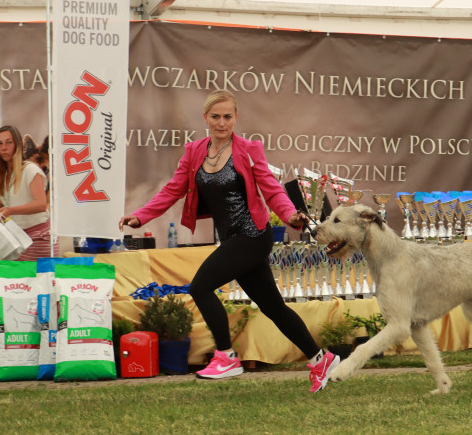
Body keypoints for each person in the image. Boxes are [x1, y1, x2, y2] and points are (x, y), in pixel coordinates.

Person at [118, 90, 340, 392]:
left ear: (236, 118)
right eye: (215, 116)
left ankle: (226, 356)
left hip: (253, 236)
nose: (222, 123)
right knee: (273, 307)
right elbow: (173, 190)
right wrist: (140, 216)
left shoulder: (249, 150)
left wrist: (289, 215)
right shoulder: (195, 151)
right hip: (233, 238)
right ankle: (320, 358)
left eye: (227, 116)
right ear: (205, 118)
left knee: (200, 287)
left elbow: (272, 190)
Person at [0, 125, 56, 260]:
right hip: (16, 238)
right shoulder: (3, 174)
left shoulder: (31, 170)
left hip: (38, 238)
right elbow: (13, 202)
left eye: (9, 142)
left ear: (18, 145)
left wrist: (10, 210)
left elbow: (40, 205)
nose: (3, 148)